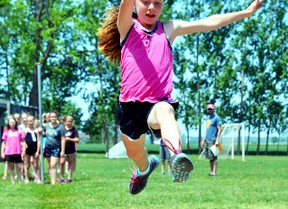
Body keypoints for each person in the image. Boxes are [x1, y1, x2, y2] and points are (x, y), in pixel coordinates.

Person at [97, 0, 263, 194]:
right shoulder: (126, 27)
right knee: (135, 153)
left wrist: (245, 12)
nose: (151, 8)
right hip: (130, 107)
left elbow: (209, 22)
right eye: (145, 2)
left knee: (165, 110)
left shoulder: (168, 29)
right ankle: (145, 169)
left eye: (157, 3)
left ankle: (177, 157)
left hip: (157, 103)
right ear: (134, 4)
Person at [1, 117, 26, 184]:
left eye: (13, 122)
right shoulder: (6, 132)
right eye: (10, 122)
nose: (12, 124)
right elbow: (4, 143)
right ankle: (12, 181)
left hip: (17, 152)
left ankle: (19, 180)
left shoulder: (19, 131)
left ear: (15, 123)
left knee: (19, 167)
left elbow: (23, 142)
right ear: (8, 123)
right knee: (11, 167)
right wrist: (2, 152)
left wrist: (23, 151)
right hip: (9, 152)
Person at [43, 110, 65, 185]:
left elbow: (63, 139)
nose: (53, 118)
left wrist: (62, 151)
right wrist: (40, 131)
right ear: (49, 118)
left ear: (56, 117)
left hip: (56, 148)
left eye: (54, 117)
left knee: (53, 165)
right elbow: (43, 133)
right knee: (50, 165)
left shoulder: (60, 127)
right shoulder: (47, 126)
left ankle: (53, 183)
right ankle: (52, 180)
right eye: (51, 117)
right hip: (47, 147)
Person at [200, 104, 222, 176]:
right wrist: (203, 139)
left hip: (213, 140)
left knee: (214, 157)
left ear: (213, 109)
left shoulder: (216, 118)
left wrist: (217, 140)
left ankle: (214, 172)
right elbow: (207, 129)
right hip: (207, 140)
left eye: (211, 109)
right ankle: (211, 171)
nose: (209, 110)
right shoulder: (207, 118)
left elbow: (219, 129)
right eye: (208, 109)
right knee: (209, 157)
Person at [59, 115, 79, 183]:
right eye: (68, 121)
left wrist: (70, 139)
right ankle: (61, 177)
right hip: (63, 149)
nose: (69, 123)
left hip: (71, 149)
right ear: (64, 122)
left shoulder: (74, 130)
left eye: (71, 121)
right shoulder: (61, 129)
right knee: (62, 163)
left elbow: (77, 139)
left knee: (71, 162)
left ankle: (69, 177)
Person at [23, 116, 41, 184]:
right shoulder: (25, 130)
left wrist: (37, 151)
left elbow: (38, 141)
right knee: (27, 164)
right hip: (28, 150)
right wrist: (24, 147)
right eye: (29, 121)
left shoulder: (36, 131)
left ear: (33, 121)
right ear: (27, 122)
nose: (30, 122)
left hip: (35, 149)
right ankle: (26, 178)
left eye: (31, 121)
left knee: (36, 164)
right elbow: (23, 140)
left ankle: (38, 178)